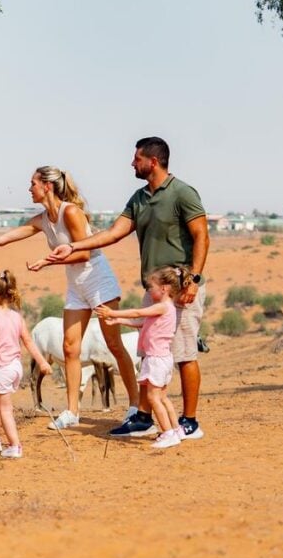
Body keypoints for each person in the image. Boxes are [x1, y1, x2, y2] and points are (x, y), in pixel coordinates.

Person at [0, 166, 139, 430]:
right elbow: (4, 238)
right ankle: (72, 411)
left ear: (47, 186)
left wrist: (47, 262)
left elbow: (84, 253)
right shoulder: (42, 219)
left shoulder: (70, 212)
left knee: (114, 345)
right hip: (76, 286)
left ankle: (135, 407)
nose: (29, 189)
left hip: (97, 281)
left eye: (32, 184)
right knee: (70, 348)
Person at [47, 137, 210, 439]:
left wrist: (194, 280)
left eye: (137, 158)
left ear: (154, 161)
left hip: (183, 285)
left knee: (185, 353)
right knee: (149, 351)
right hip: (156, 288)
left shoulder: (182, 193)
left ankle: (190, 421)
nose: (132, 163)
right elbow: (112, 233)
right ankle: (144, 417)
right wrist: (72, 246)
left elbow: (201, 236)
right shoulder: (139, 198)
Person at [96, 266, 189, 448]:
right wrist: (118, 321)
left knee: (153, 398)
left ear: (164, 288)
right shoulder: (164, 309)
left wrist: (112, 312)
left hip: (156, 359)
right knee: (162, 397)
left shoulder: (162, 306)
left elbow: (138, 313)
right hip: (162, 358)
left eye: (151, 287)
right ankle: (177, 430)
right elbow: (141, 322)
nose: (149, 290)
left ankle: (168, 433)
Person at [0, 270, 52, 459]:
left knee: (4, 408)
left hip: (0, 368)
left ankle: (15, 445)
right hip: (14, 368)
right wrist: (42, 362)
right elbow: (28, 342)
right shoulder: (17, 317)